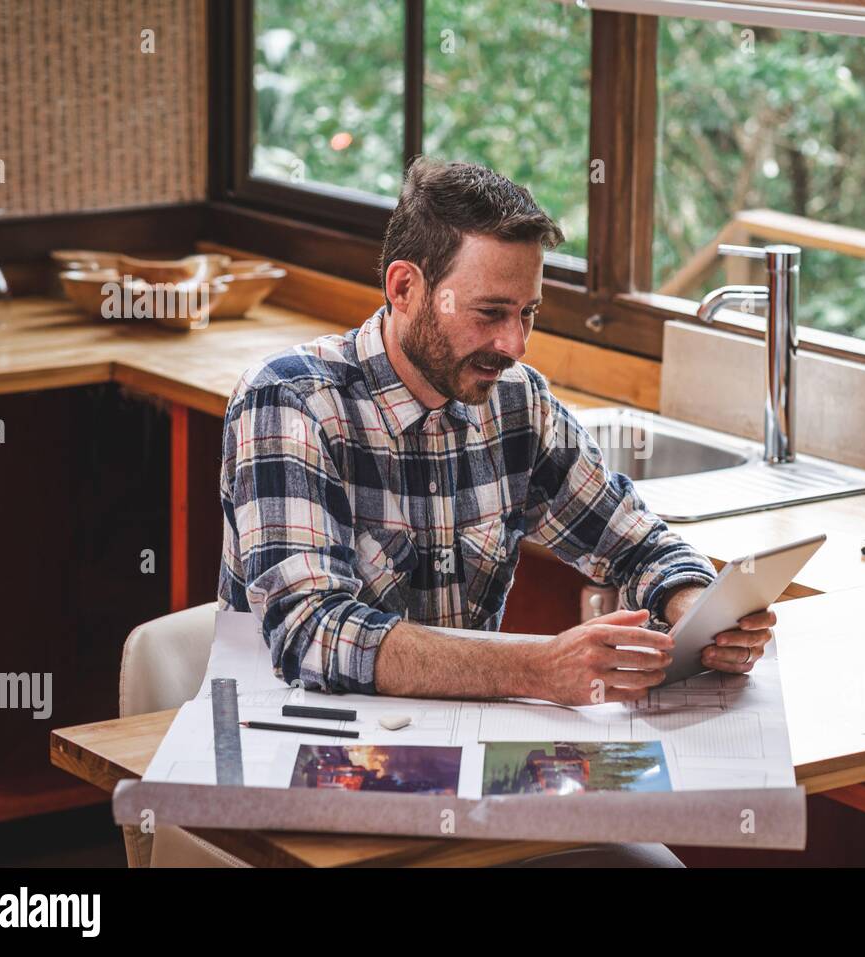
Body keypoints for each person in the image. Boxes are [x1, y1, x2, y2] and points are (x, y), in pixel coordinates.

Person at [217, 159, 777, 866]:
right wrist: (536, 669)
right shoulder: (289, 401)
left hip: (475, 764)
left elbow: (638, 543)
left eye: (528, 315)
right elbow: (314, 636)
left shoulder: (515, 402)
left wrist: (698, 607)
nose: (514, 345)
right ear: (405, 288)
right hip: (312, 769)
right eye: (491, 313)